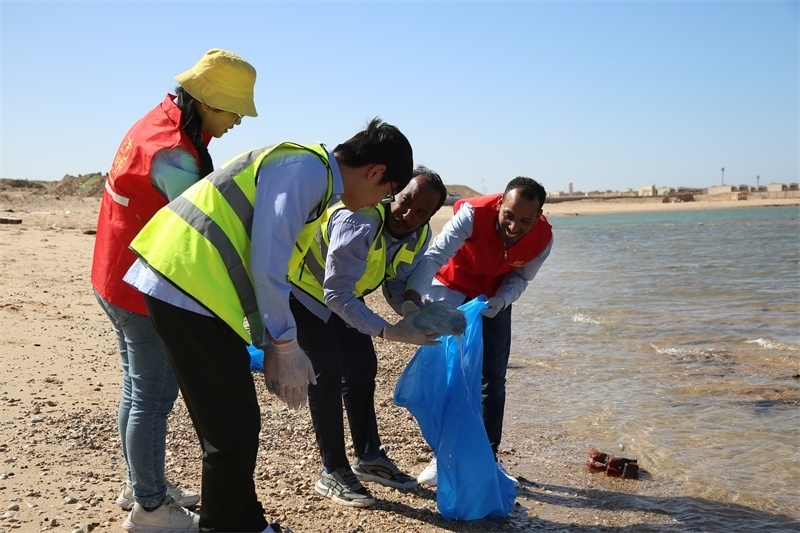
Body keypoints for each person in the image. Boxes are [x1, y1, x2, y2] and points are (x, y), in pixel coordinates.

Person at [124, 118, 415, 532]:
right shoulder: (307, 170)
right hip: (185, 283)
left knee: (237, 423)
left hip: (196, 288)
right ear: (376, 172)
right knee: (230, 430)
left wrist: (270, 343)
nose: (379, 203)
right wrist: (286, 345)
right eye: (386, 194)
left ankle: (249, 523)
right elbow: (268, 264)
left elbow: (268, 267)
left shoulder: (315, 180)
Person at [90, 48, 257, 532]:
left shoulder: (163, 120)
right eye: (234, 111)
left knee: (137, 387)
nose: (237, 121)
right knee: (153, 396)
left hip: (113, 272)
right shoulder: (174, 153)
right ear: (207, 101)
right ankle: (150, 509)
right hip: (138, 288)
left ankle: (141, 485)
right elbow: (200, 227)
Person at [287, 167, 448, 507]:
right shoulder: (359, 220)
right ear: (393, 193)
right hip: (303, 291)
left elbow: (394, 280)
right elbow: (335, 294)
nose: (408, 215)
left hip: (345, 296)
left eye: (422, 212)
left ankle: (369, 457)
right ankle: (332, 470)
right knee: (326, 372)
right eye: (405, 201)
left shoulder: (418, 235)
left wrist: (412, 310)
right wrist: (390, 331)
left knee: (361, 368)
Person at [406, 176, 553, 488]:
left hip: (493, 296)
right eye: (508, 215)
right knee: (452, 373)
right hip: (452, 287)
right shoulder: (472, 215)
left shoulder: (543, 238)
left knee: (493, 378)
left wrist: (502, 301)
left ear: (539, 216)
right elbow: (434, 256)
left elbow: (521, 278)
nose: (514, 226)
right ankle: (442, 456)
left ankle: (487, 457)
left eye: (525, 221)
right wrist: (414, 298)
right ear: (499, 204)